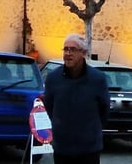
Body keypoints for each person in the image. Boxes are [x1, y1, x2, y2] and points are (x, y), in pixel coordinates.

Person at [43, 33, 109, 164]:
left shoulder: (97, 79)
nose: (68, 53)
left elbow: (104, 109)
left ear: (83, 53)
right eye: (65, 49)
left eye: (72, 49)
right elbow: (49, 106)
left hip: (89, 149)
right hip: (62, 148)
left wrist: (91, 130)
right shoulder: (53, 78)